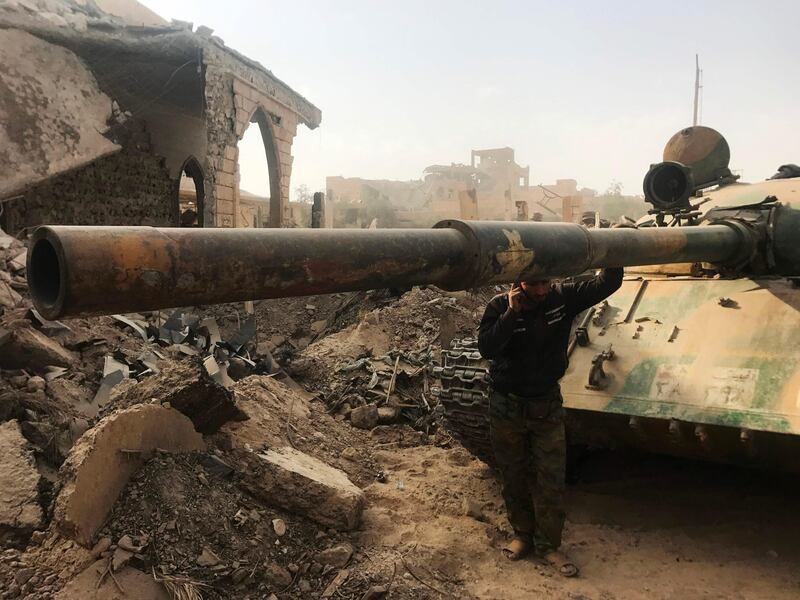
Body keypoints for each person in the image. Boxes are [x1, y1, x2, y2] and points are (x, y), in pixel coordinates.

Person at [477, 267, 623, 577]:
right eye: (533, 284)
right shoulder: (499, 306)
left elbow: (608, 282)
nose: (541, 291)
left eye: (545, 282)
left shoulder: (563, 297)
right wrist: (511, 314)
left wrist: (614, 248)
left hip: (546, 404)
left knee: (551, 478)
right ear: (518, 284)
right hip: (507, 405)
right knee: (513, 473)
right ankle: (522, 536)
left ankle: (548, 546)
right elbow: (487, 347)